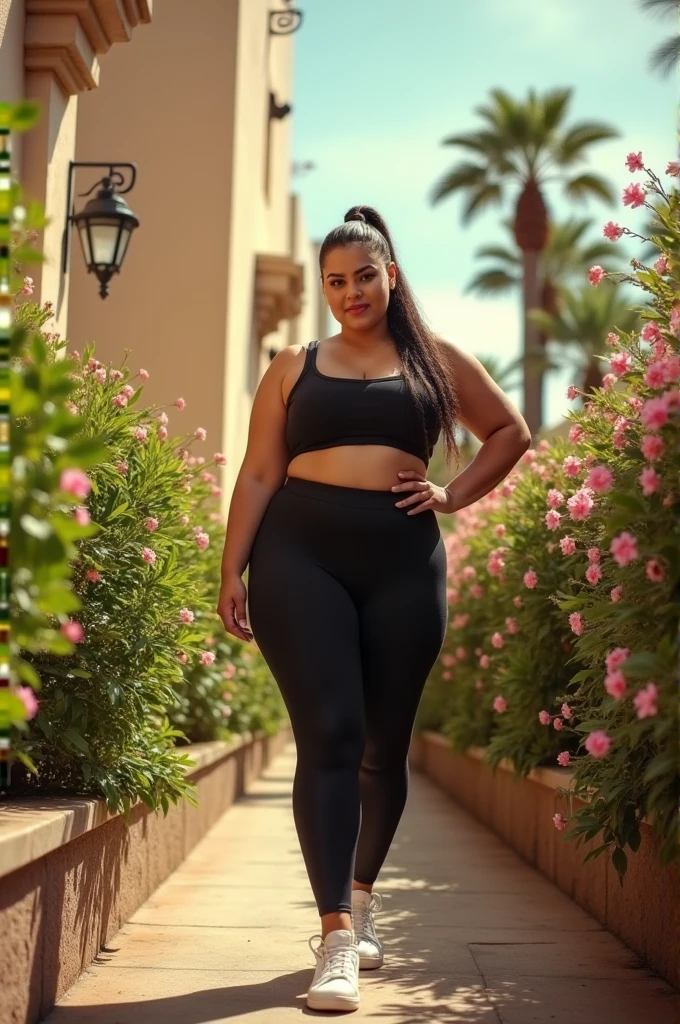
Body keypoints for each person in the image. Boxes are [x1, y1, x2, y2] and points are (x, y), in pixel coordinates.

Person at [217, 205, 531, 1013]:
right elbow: (258, 473)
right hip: (299, 554)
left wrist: (454, 494)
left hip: (402, 560)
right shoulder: (294, 364)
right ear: (322, 289)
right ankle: (332, 942)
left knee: (381, 748)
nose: (350, 292)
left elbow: (510, 431)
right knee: (330, 733)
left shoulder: (437, 362)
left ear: (391, 275)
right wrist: (232, 570)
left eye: (364, 275)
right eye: (334, 281)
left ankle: (359, 901)